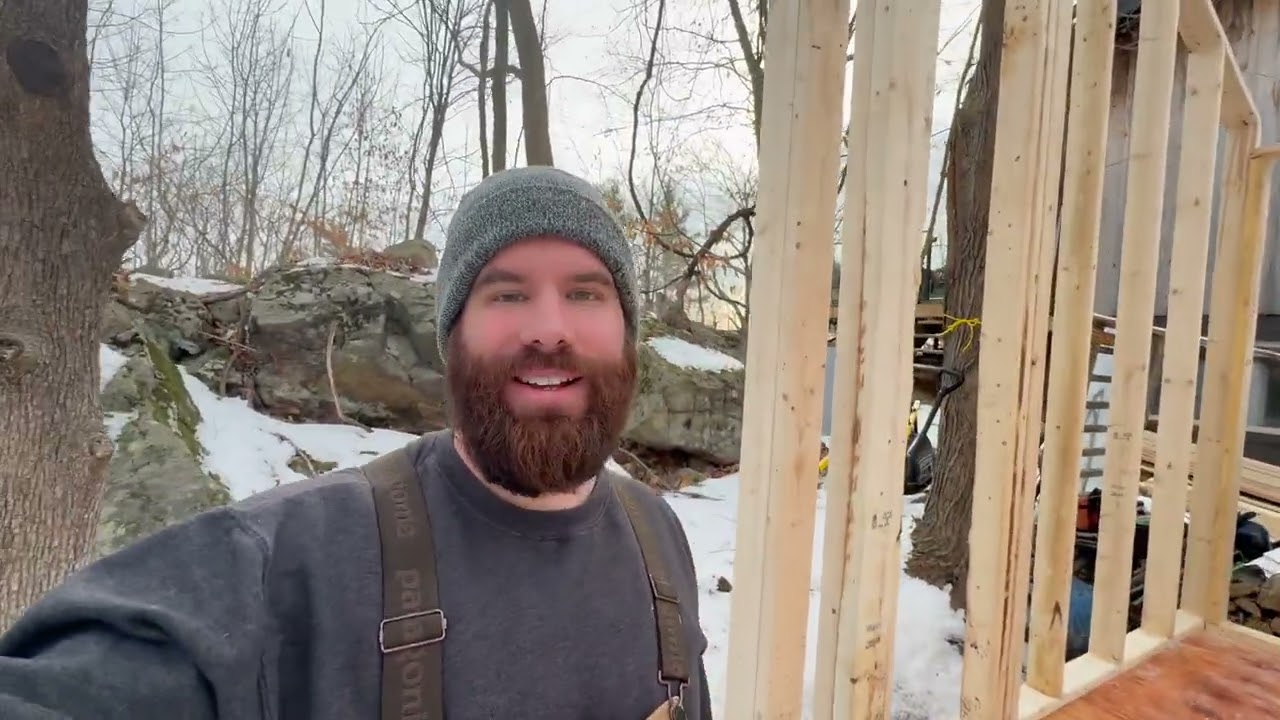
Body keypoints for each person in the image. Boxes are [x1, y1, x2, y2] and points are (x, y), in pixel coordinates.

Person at [0, 166, 714, 720]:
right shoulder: (289, 559)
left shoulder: (658, 535)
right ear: (451, 339)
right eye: (506, 293)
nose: (549, 329)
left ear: (627, 333)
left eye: (587, 293)